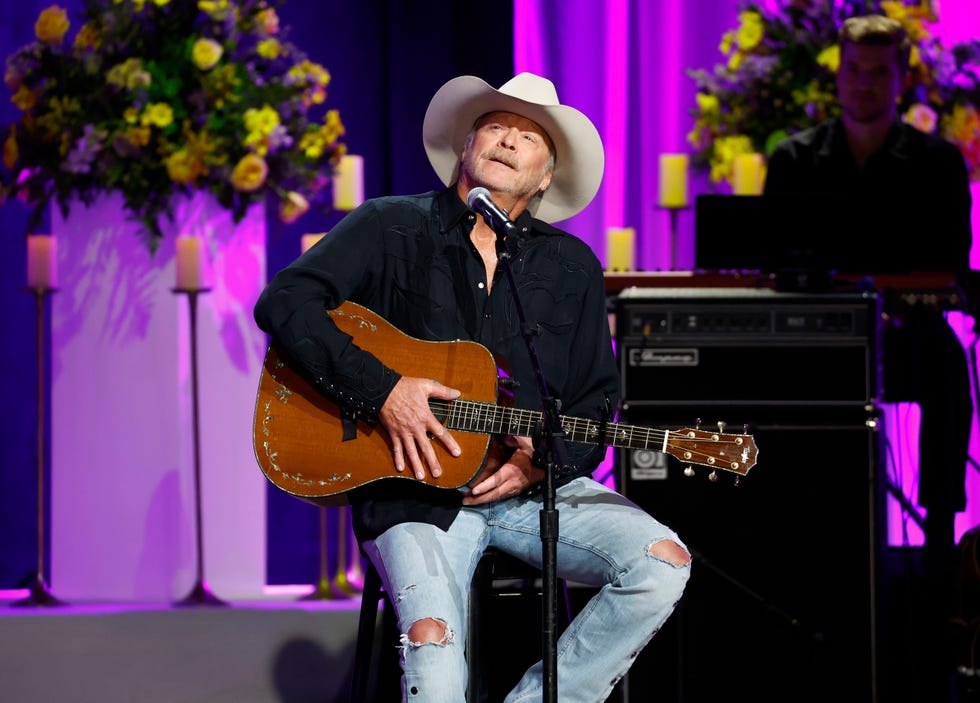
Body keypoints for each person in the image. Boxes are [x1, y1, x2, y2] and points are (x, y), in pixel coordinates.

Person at [253, 72, 691, 702]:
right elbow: (286, 301)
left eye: (530, 136)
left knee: (660, 564)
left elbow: (596, 401)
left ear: (545, 178)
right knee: (433, 653)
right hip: (412, 494)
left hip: (529, 496)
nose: (510, 140)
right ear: (466, 146)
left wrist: (539, 466)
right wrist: (383, 391)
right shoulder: (389, 226)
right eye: (496, 125)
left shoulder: (571, 267)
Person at [763, 14, 974, 701]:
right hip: (820, 334)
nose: (864, 83)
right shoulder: (794, 158)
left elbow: (950, 266)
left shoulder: (939, 162)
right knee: (775, 380)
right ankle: (799, 528)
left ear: (901, 77)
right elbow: (774, 263)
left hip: (909, 331)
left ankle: (941, 539)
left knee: (947, 370)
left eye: (879, 72)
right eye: (855, 69)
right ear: (839, 73)